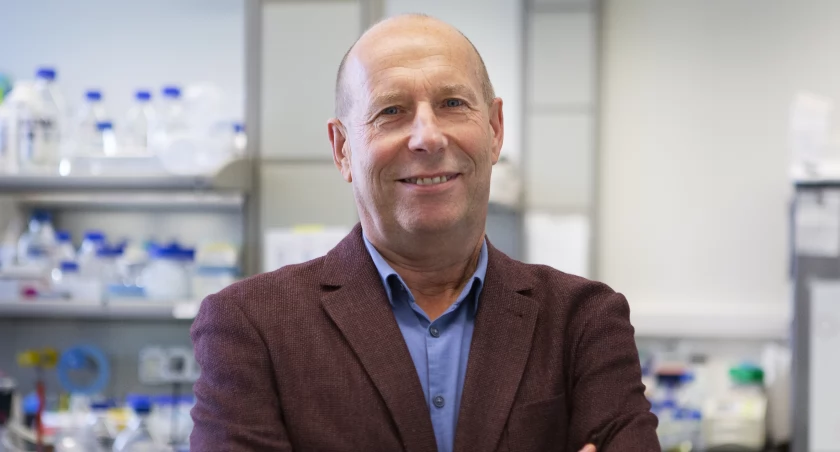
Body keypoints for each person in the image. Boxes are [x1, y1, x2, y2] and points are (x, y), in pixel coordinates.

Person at [190, 14, 659, 452]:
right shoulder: (251, 326)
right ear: (342, 148)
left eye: (452, 104)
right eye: (391, 110)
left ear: (495, 129)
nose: (428, 137)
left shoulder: (583, 321)